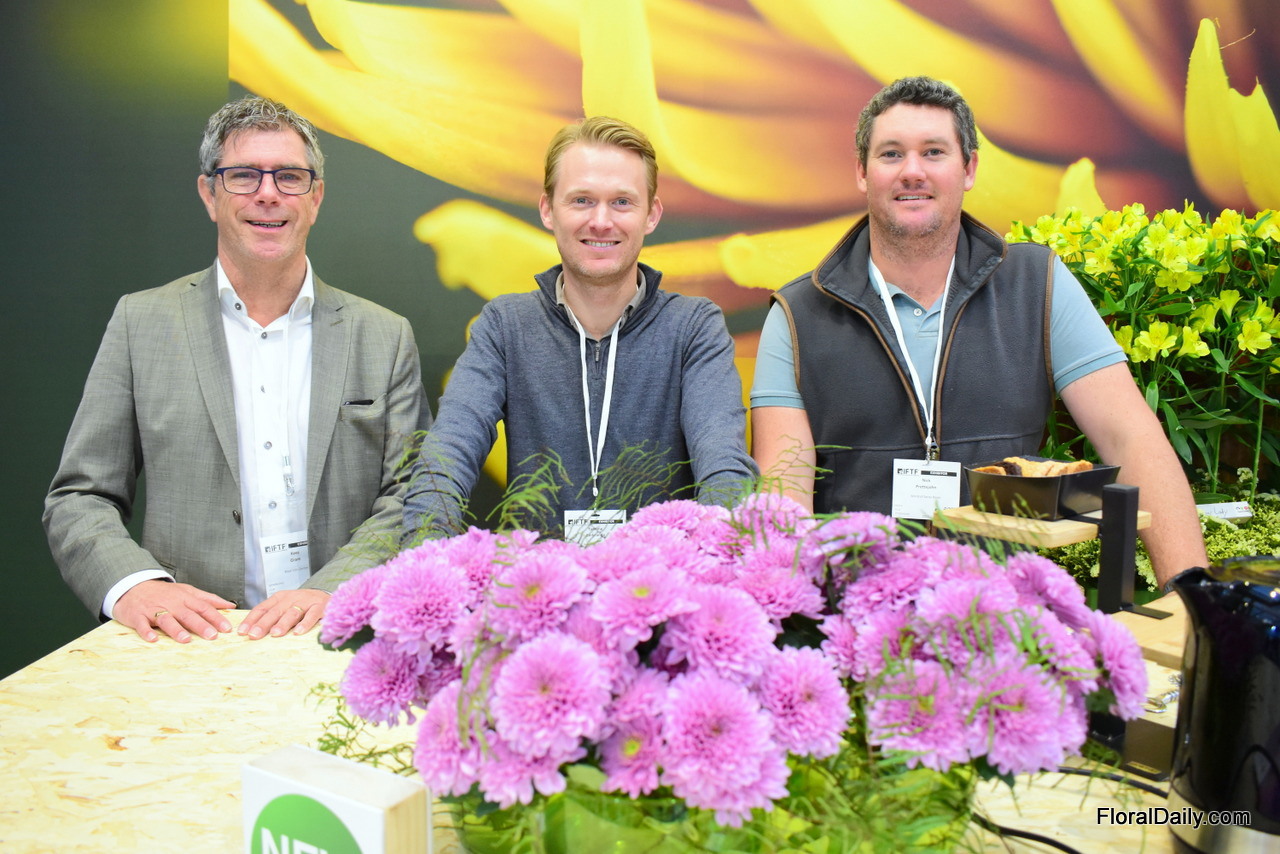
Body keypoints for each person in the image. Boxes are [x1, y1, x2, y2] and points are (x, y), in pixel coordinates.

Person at [750, 76, 1206, 586]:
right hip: (855, 605)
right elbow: (783, 492)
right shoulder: (797, 314)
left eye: (934, 152)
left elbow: (1131, 440)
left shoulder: (1038, 284)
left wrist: (1191, 600)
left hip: (1010, 611)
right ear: (862, 171)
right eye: (891, 154)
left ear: (969, 169)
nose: (912, 171)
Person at [44, 96, 429, 643]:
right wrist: (135, 586)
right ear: (210, 194)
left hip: (342, 643)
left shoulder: (384, 336)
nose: (268, 193)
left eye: (289, 177)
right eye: (244, 175)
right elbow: (81, 497)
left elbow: (413, 496)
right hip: (192, 647)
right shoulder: (141, 323)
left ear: (315, 198)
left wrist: (336, 589)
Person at [403, 116, 755, 542]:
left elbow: (723, 464)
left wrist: (720, 550)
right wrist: (423, 552)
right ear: (548, 210)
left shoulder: (694, 327)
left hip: (664, 576)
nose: (601, 221)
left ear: (651, 215)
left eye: (622, 202)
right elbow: (448, 455)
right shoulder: (505, 325)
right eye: (582, 200)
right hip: (535, 579)